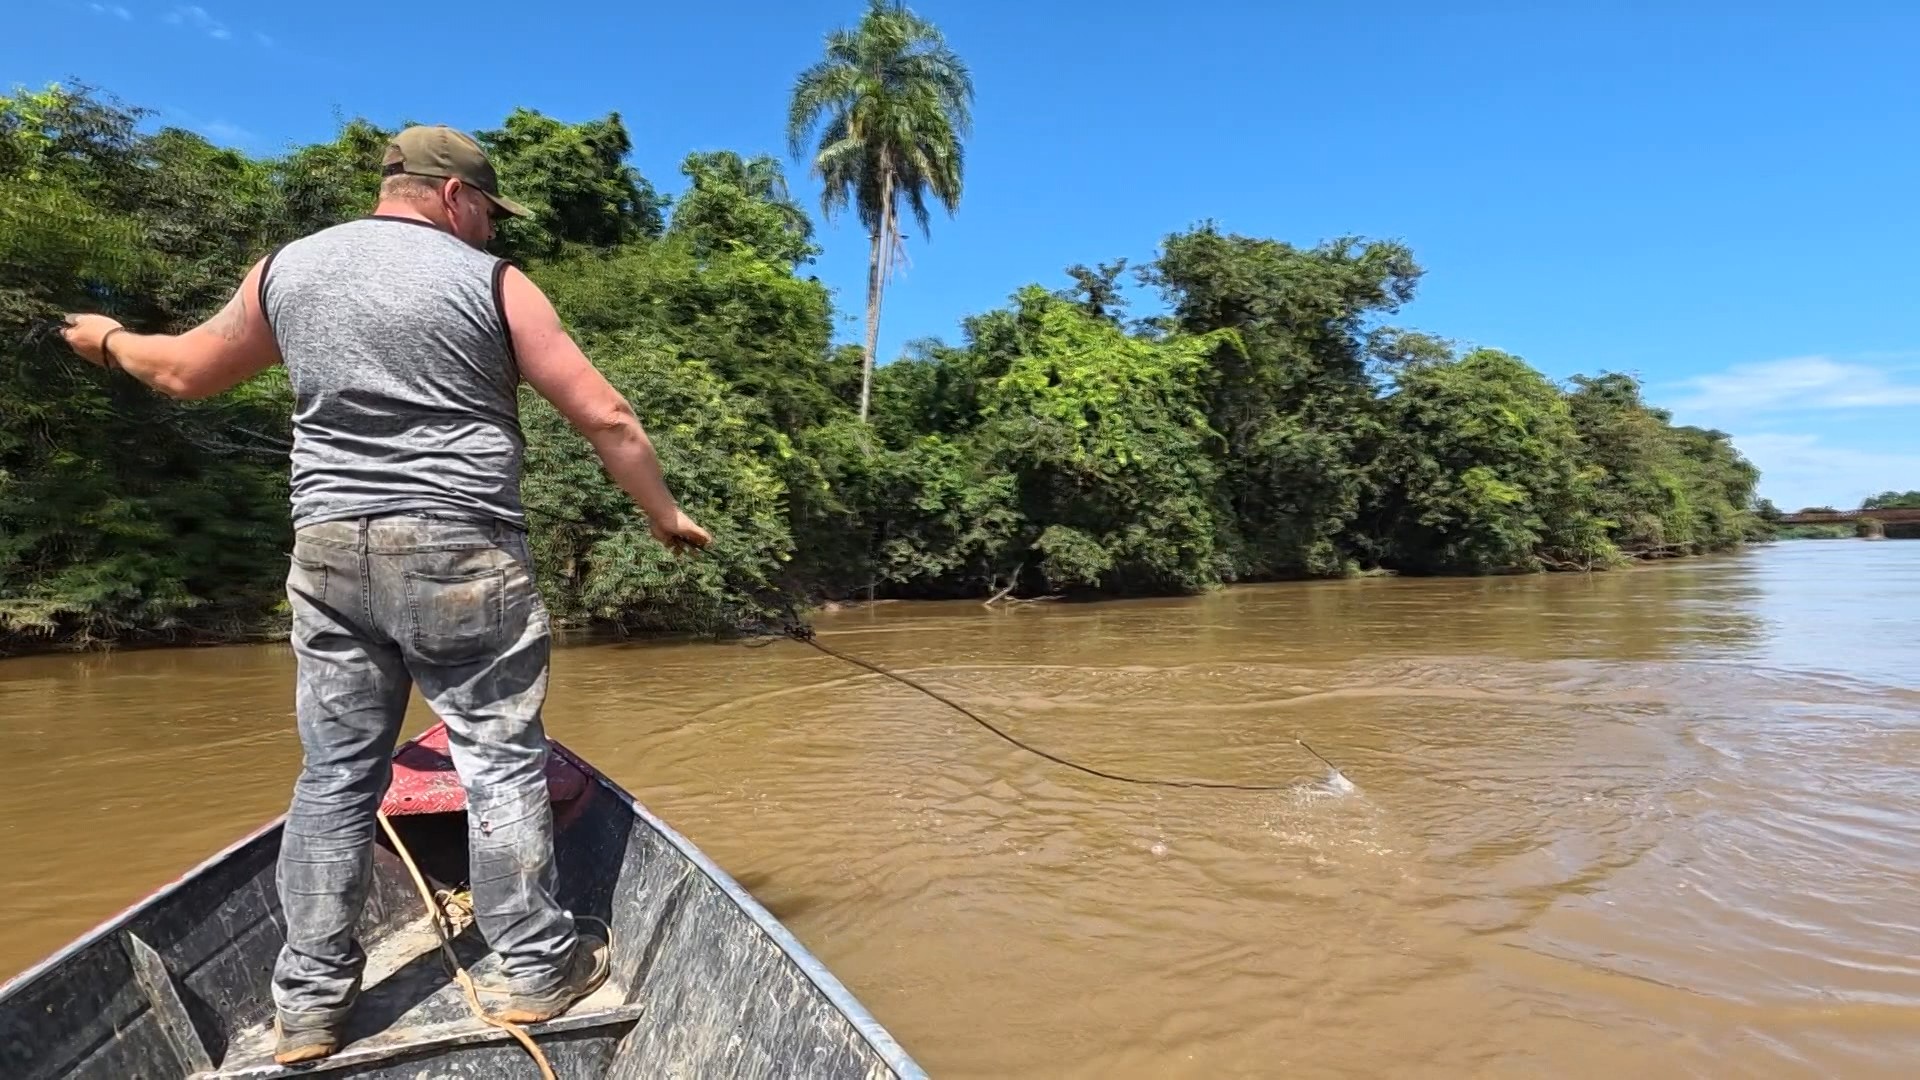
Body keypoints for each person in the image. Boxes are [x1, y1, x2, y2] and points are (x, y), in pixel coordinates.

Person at [59, 124, 711, 1064]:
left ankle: (309, 1005)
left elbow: (185, 372)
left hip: (328, 553)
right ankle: (533, 969)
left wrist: (108, 338)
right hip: (461, 546)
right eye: (488, 210)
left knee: (334, 777)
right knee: (497, 757)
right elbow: (605, 414)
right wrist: (664, 515)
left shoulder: (284, 270)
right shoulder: (493, 283)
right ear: (453, 196)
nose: (490, 228)